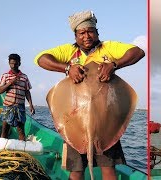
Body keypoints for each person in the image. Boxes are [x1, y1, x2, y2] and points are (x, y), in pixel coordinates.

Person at [34, 10, 145, 180]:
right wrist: (67, 68)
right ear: (75, 36)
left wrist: (114, 65)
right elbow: (41, 59)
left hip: (106, 120)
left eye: (90, 31)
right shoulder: (69, 51)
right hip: (75, 120)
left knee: (108, 168)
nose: (86, 36)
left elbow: (138, 52)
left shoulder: (108, 48)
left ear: (97, 32)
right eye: (82, 33)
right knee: (76, 170)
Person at [0, 53, 35, 141]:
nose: (13, 65)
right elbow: (0, 90)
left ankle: (22, 151)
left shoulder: (24, 77)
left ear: (19, 63)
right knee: (5, 129)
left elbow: (27, 91)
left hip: (20, 106)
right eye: (11, 63)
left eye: (15, 63)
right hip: (8, 106)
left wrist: (31, 105)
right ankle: (3, 151)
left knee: (21, 130)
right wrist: (10, 82)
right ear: (9, 63)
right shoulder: (5, 76)